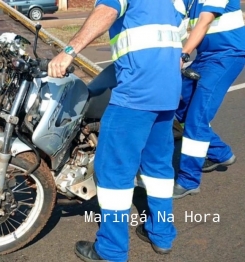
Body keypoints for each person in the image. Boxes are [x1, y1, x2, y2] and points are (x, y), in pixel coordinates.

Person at [47, 0, 185, 261]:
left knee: (113, 172)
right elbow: (172, 43)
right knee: (158, 168)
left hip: (136, 93)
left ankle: (111, 249)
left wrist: (68, 51)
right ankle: (162, 234)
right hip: (168, 90)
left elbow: (106, 11)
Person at [172, 0, 245, 199]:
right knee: (180, 107)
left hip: (228, 55)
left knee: (198, 117)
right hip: (204, 56)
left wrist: (183, 55)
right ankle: (220, 152)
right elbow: (172, 20)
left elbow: (205, 20)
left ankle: (189, 181)